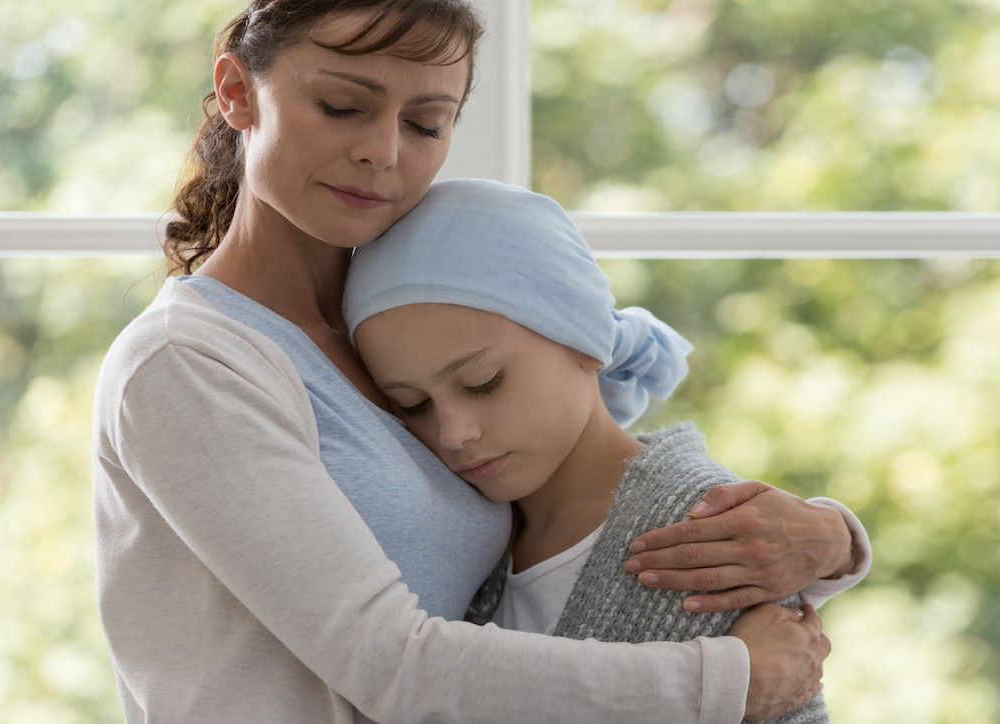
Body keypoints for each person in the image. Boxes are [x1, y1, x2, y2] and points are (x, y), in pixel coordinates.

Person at [92, 1, 868, 722]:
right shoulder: (184, 365)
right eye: (342, 107)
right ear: (236, 90)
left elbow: (584, 463)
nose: (381, 152)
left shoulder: (396, 329)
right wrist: (732, 680)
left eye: (427, 123)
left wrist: (831, 540)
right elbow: (394, 665)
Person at [342, 178, 871, 724]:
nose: (452, 433)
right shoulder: (469, 534)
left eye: (483, 382)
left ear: (585, 337)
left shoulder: (713, 533)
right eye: (413, 405)